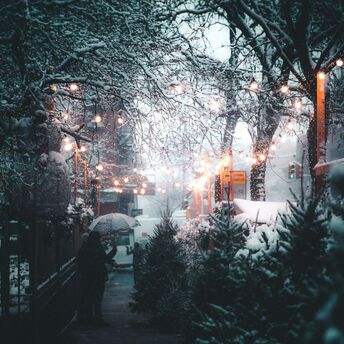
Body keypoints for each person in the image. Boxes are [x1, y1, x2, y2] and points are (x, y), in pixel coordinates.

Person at [76, 230, 117, 327]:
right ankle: (98, 319)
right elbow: (105, 258)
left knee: (88, 299)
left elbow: (79, 262)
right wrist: (114, 250)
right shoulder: (98, 247)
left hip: (86, 278)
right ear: (97, 238)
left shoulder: (84, 248)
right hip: (98, 277)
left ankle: (88, 320)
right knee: (98, 299)